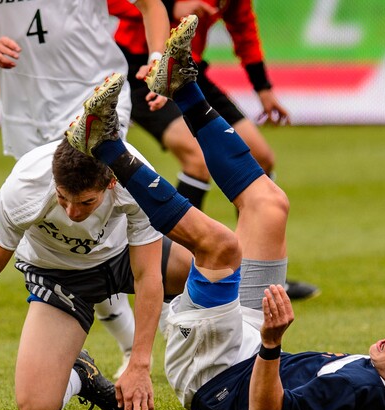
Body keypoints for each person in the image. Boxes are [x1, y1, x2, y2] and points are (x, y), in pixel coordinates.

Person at [64, 15, 385, 410]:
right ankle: (182, 87)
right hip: (250, 339)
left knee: (220, 247)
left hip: (215, 373)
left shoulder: (355, 395)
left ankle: (103, 144)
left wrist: (273, 342)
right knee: (269, 205)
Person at [0, 0, 170, 377]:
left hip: (95, 94)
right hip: (26, 114)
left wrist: (157, 59)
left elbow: (151, 5)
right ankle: (120, 342)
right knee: (73, 226)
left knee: (93, 219)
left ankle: (147, 338)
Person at [0, 73, 196, 410]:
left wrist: (139, 364)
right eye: (63, 199)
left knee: (205, 266)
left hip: (121, 258)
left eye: (86, 202)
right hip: (59, 277)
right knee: (35, 408)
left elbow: (148, 273)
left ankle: (220, 363)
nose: (72, 212)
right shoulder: (24, 188)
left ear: (111, 182)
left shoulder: (133, 178)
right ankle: (81, 374)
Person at [107, 0, 320, 301]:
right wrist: (173, 6)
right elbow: (128, 5)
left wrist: (263, 89)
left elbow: (243, 27)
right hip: (140, 70)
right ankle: (176, 273)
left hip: (187, 70)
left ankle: (259, 276)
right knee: (196, 160)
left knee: (261, 156)